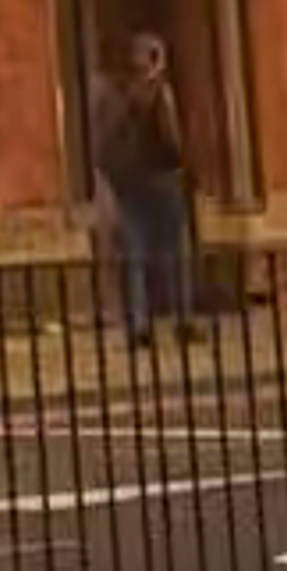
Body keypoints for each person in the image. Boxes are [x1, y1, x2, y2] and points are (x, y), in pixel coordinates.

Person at [94, 28, 196, 345]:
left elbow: (103, 139)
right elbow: (171, 138)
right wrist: (184, 163)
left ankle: (139, 324)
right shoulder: (159, 93)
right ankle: (182, 319)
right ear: (156, 60)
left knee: (135, 256)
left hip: (128, 183)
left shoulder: (116, 94)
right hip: (161, 179)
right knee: (174, 253)